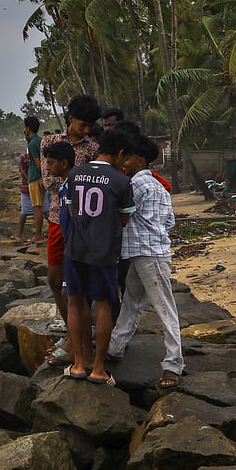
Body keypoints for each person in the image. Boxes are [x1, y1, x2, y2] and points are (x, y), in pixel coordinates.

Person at [61, 128, 136, 386]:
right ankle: (99, 369)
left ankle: (79, 363)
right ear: (121, 153)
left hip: (75, 250)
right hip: (103, 251)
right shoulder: (121, 181)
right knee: (103, 304)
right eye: (124, 159)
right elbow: (125, 219)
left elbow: (70, 209)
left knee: (75, 301)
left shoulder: (74, 174)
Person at [108, 135, 184, 389]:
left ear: (139, 160)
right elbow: (170, 222)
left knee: (163, 308)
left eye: (127, 157)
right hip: (150, 252)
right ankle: (115, 346)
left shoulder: (136, 186)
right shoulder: (159, 187)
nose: (124, 162)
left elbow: (122, 214)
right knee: (132, 301)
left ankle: (173, 363)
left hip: (147, 254)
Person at [41, 95, 101, 336]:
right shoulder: (50, 142)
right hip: (57, 219)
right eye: (82, 125)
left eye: (90, 126)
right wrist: (78, 178)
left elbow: (98, 183)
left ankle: (80, 331)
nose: (86, 130)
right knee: (55, 279)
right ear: (70, 119)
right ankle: (70, 327)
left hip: (86, 224)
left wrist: (69, 177)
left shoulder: (93, 148)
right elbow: (48, 182)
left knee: (80, 283)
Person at [41, 139, 75, 366]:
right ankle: (72, 336)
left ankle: (76, 343)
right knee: (59, 285)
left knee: (72, 293)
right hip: (60, 231)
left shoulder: (72, 185)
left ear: (64, 163)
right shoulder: (64, 184)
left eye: (51, 164)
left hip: (72, 242)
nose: (49, 169)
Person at [24, 117, 45, 243]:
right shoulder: (39, 140)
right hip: (40, 177)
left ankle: (38, 235)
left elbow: (38, 164)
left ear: (28, 128)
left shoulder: (32, 144)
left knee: (37, 208)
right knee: (41, 207)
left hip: (35, 178)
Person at [17, 150, 34, 242]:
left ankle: (20, 235)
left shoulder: (24, 157)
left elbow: (22, 172)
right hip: (35, 186)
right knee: (44, 211)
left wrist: (29, 181)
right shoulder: (40, 157)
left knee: (24, 212)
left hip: (26, 187)